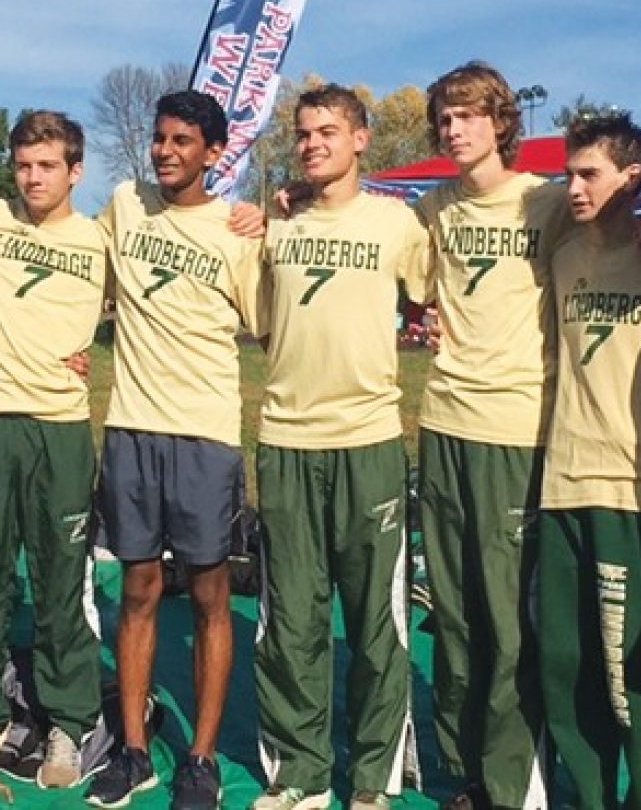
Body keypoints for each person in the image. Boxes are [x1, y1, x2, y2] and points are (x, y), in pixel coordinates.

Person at [85, 90, 265, 810]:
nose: (165, 151)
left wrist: (268, 217)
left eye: (182, 141)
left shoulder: (237, 228)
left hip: (206, 433)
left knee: (211, 594)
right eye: (160, 139)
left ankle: (200, 756)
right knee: (137, 591)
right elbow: (75, 264)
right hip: (130, 426)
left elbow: (267, 325)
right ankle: (133, 751)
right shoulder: (126, 205)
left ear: (214, 153)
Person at [251, 83, 428, 810]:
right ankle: (301, 773)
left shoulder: (398, 224)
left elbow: (431, 303)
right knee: (291, 620)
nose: (312, 142)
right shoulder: (277, 226)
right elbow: (258, 319)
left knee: (375, 623)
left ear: (361, 139)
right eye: (303, 133)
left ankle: (373, 777)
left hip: (370, 443)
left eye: (328, 130)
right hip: (286, 441)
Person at [0, 112, 107, 797]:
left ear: (75, 172)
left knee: (62, 581)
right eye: (24, 165)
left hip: (59, 429)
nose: (33, 178)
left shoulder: (100, 237)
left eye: (47, 166)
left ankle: (69, 718)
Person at [416, 62, 573, 810]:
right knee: (453, 611)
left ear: (503, 122)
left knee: (511, 623)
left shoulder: (547, 204)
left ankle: (518, 783)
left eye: (469, 116)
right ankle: (468, 766)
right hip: (442, 423)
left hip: (516, 430)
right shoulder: (434, 208)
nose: (455, 130)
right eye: (446, 118)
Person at [537, 113, 641, 809]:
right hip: (562, 484)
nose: (573, 187)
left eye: (589, 173)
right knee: (567, 666)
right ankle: (592, 796)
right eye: (568, 173)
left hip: (638, 490)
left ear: (633, 178)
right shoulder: (563, 255)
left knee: (632, 671)